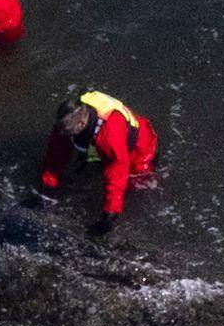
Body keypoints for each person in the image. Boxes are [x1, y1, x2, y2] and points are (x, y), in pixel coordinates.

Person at [23, 90, 159, 237]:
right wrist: (47, 190)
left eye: (65, 130)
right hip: (103, 142)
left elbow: (117, 174)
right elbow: (56, 154)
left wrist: (109, 216)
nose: (60, 132)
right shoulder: (67, 123)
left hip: (139, 148)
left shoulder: (109, 137)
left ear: (81, 123)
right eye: (59, 128)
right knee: (71, 150)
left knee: (137, 184)